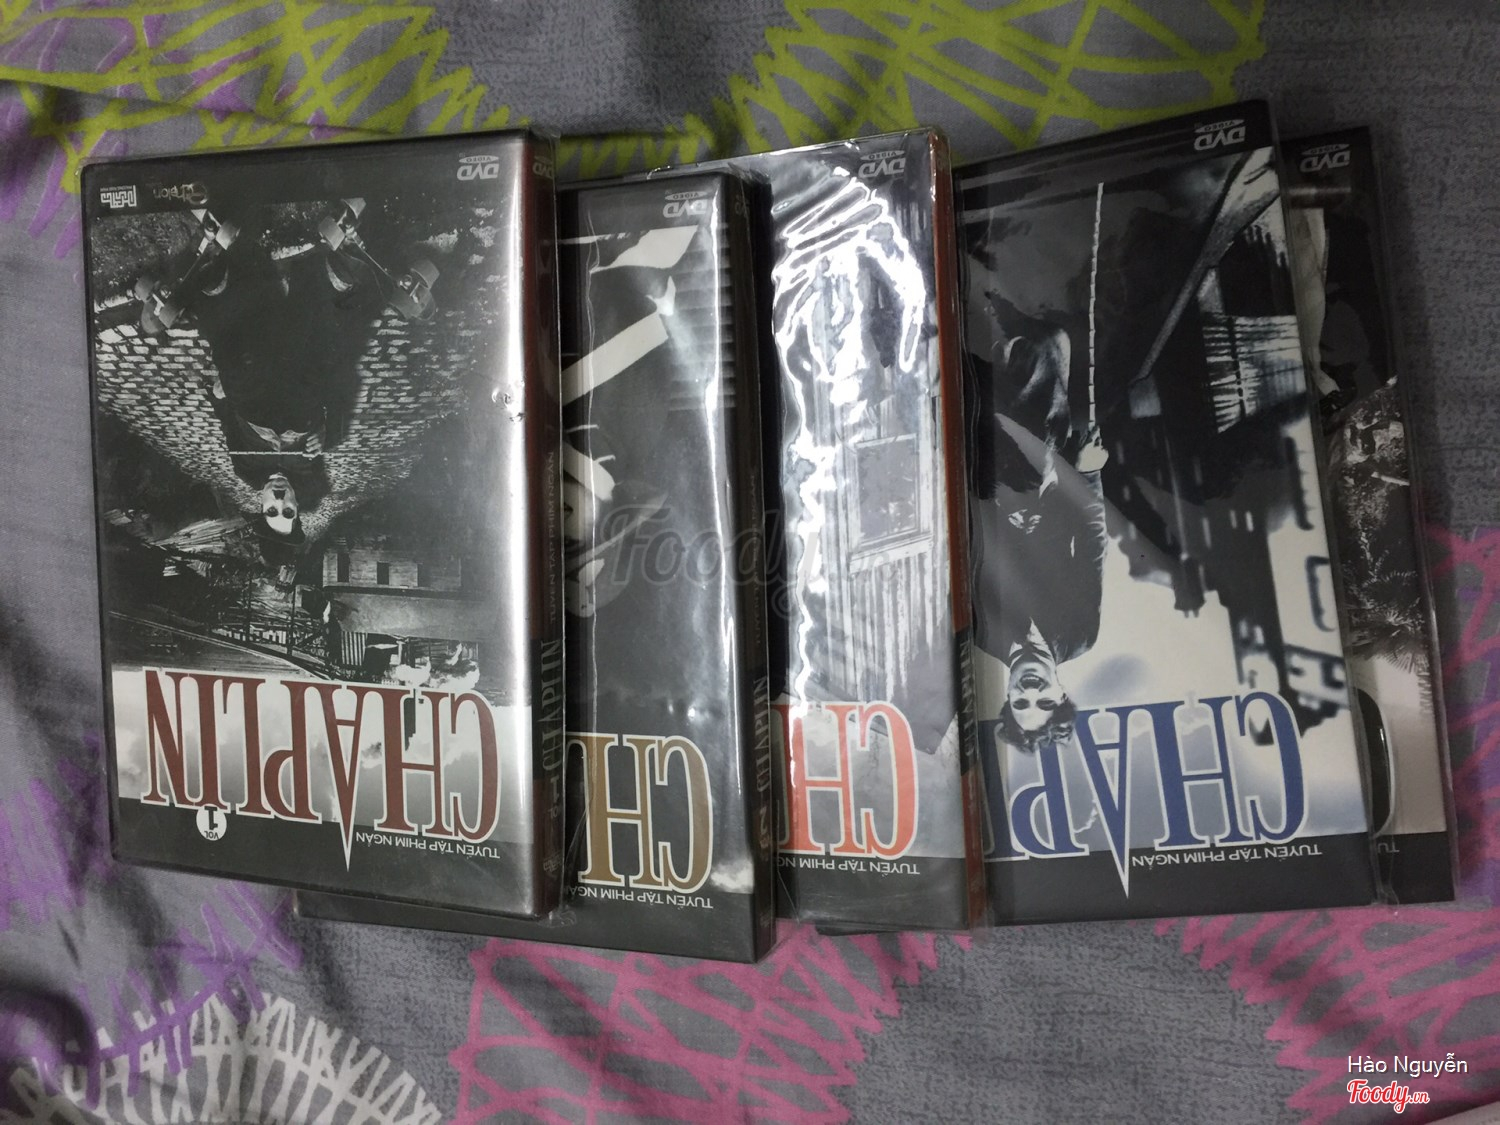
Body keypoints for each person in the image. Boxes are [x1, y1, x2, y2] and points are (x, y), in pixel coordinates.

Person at [969, 294, 1109, 752]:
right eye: (1044, 702)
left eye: (1020, 702)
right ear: (1061, 693)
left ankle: (1009, 348)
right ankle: (1020, 345)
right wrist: (1087, 473)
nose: (1031, 691)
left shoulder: (982, 635)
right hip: (1044, 492)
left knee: (1043, 356)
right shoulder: (1079, 635)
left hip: (979, 493)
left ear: (1007, 696)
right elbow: (1091, 541)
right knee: (1051, 353)